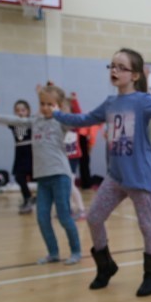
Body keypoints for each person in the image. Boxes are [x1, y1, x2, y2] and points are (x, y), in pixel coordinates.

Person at [51, 48, 151, 296]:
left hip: (139, 176)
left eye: (121, 67)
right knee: (94, 218)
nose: (114, 70)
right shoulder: (110, 103)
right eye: (112, 66)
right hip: (116, 176)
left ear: (134, 75)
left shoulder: (142, 101)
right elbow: (84, 119)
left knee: (146, 225)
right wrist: (56, 113)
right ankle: (105, 266)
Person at [0, 83, 82, 265]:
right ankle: (53, 253)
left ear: (58, 106)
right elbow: (16, 120)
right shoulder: (35, 121)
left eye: (50, 104)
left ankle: (76, 251)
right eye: (42, 103)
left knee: (64, 217)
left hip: (60, 175)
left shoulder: (61, 121)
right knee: (42, 218)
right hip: (42, 177)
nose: (45, 107)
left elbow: (77, 119)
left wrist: (68, 106)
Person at [63, 92, 87, 220]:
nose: (62, 109)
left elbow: (79, 115)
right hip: (62, 157)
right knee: (64, 185)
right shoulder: (58, 122)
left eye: (65, 107)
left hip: (73, 157)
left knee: (70, 184)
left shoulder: (73, 122)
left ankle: (81, 209)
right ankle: (69, 209)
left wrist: (75, 101)